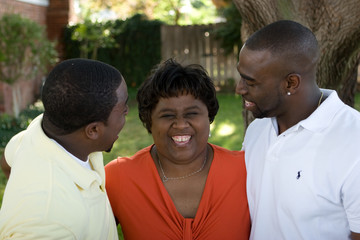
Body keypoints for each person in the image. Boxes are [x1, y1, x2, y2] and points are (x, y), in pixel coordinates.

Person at [236, 20, 360, 240]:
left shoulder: (353, 141)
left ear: (291, 83)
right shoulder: (257, 128)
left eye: (251, 82)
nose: (239, 89)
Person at [105, 58, 250, 239]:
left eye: (192, 114)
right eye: (167, 115)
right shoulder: (119, 177)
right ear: (149, 121)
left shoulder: (245, 171)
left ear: (209, 116)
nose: (181, 125)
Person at [0, 58, 129, 239]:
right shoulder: (48, 223)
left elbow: (6, 161)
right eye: (123, 111)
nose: (128, 113)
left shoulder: (36, 136)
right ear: (93, 130)